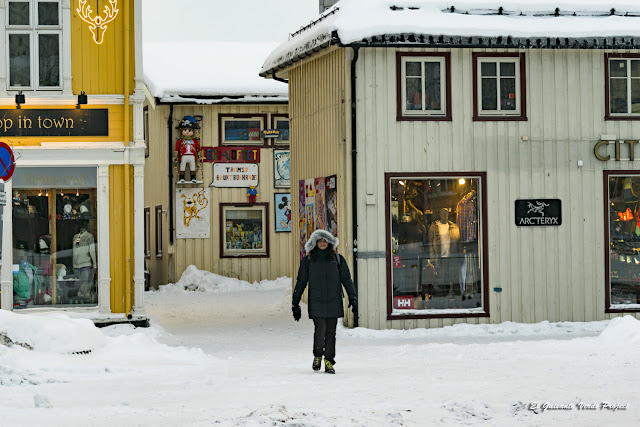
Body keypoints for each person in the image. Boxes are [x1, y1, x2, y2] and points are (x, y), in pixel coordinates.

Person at [292, 229, 357, 374]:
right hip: (316, 300)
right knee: (320, 330)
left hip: (333, 300)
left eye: (325, 241)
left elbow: (346, 279)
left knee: (331, 332)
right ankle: (317, 355)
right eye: (319, 241)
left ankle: (329, 360)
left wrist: (353, 298)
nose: (322, 243)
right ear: (315, 243)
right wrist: (295, 303)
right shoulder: (308, 260)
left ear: (329, 243)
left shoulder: (338, 259)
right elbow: (301, 281)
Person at [175, 116, 202, 184]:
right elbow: (176, 149)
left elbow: (198, 149)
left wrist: (200, 156)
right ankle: (182, 178)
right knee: (182, 166)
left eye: (189, 130)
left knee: (192, 167)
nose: (187, 132)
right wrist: (175, 156)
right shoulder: (180, 141)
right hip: (183, 155)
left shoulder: (195, 141)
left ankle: (193, 178)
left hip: (192, 156)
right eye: (185, 130)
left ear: (193, 132)